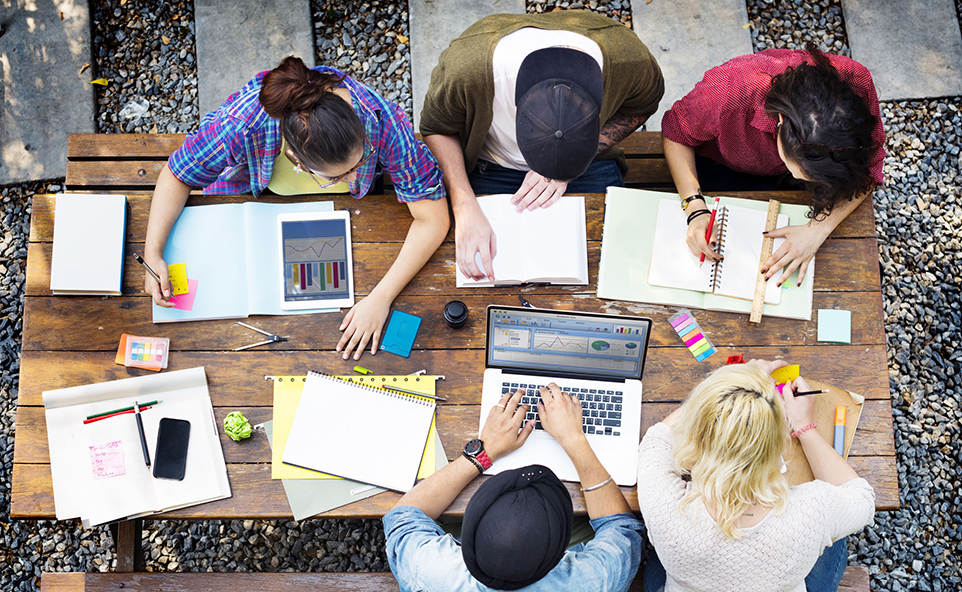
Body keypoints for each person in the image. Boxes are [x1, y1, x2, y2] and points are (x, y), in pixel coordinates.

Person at [142, 56, 448, 361]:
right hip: (248, 196)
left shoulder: (382, 123)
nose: (357, 176)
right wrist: (154, 251)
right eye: (339, 175)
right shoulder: (241, 124)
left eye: (363, 159)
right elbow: (178, 174)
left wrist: (380, 298)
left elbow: (433, 218)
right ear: (296, 161)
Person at [383, 385, 645, 592]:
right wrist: (574, 440)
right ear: (559, 554)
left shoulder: (434, 571)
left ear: (469, 537)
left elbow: (403, 516)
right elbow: (622, 529)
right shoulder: (588, 585)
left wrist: (482, 453)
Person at [638, 361, 876, 592]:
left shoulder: (666, 501)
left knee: (654, 539)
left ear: (696, 433)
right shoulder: (814, 508)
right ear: (779, 442)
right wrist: (804, 426)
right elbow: (861, 497)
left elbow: (656, 441)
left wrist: (726, 389)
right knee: (836, 533)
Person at [419, 11, 664, 281]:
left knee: (619, 269)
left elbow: (641, 107)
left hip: (587, 164)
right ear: (515, 103)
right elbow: (437, 128)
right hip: (493, 164)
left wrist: (571, 162)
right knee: (476, 268)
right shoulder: (467, 71)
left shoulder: (630, 62)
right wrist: (463, 204)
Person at [661, 45, 885, 285]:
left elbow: (870, 170)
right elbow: (676, 132)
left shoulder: (857, 82)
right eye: (795, 169)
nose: (797, 179)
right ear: (780, 120)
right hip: (724, 166)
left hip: (806, 184)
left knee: (847, 270)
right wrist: (694, 207)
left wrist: (818, 230)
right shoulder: (729, 90)